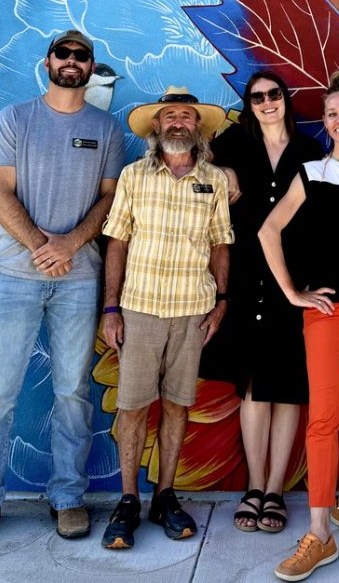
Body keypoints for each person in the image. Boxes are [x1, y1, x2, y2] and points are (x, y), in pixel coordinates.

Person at [0, 30, 125, 552]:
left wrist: (69, 244)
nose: (72, 61)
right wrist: (41, 247)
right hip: (13, 275)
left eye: (81, 56)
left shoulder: (106, 129)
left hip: (79, 279)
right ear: (48, 62)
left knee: (73, 393)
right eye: (63, 53)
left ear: (90, 67)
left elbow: (109, 199)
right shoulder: (14, 119)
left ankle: (67, 497)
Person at [259, 71, 339, 582]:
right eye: (331, 113)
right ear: (325, 121)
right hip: (327, 309)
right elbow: (268, 230)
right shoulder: (312, 173)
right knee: (325, 415)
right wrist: (293, 292)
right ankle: (319, 533)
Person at [100, 86, 233, 550]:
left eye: (186, 116)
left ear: (198, 127)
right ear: (156, 126)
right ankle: (128, 500)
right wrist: (111, 308)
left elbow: (221, 243)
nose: (178, 122)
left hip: (192, 310)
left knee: (178, 404)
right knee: (133, 406)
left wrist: (221, 301)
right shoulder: (133, 176)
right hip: (139, 307)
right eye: (169, 115)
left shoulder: (214, 179)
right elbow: (117, 242)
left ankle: (165, 496)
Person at [200, 71, 322, 534]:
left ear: (285, 100)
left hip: (295, 278)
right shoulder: (236, 143)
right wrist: (226, 170)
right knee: (251, 385)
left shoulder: (310, 149)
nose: (267, 102)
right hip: (247, 275)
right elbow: (199, 158)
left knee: (288, 386)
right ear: (249, 105)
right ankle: (254, 486)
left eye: (274, 94)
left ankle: (275, 490)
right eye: (257, 97)